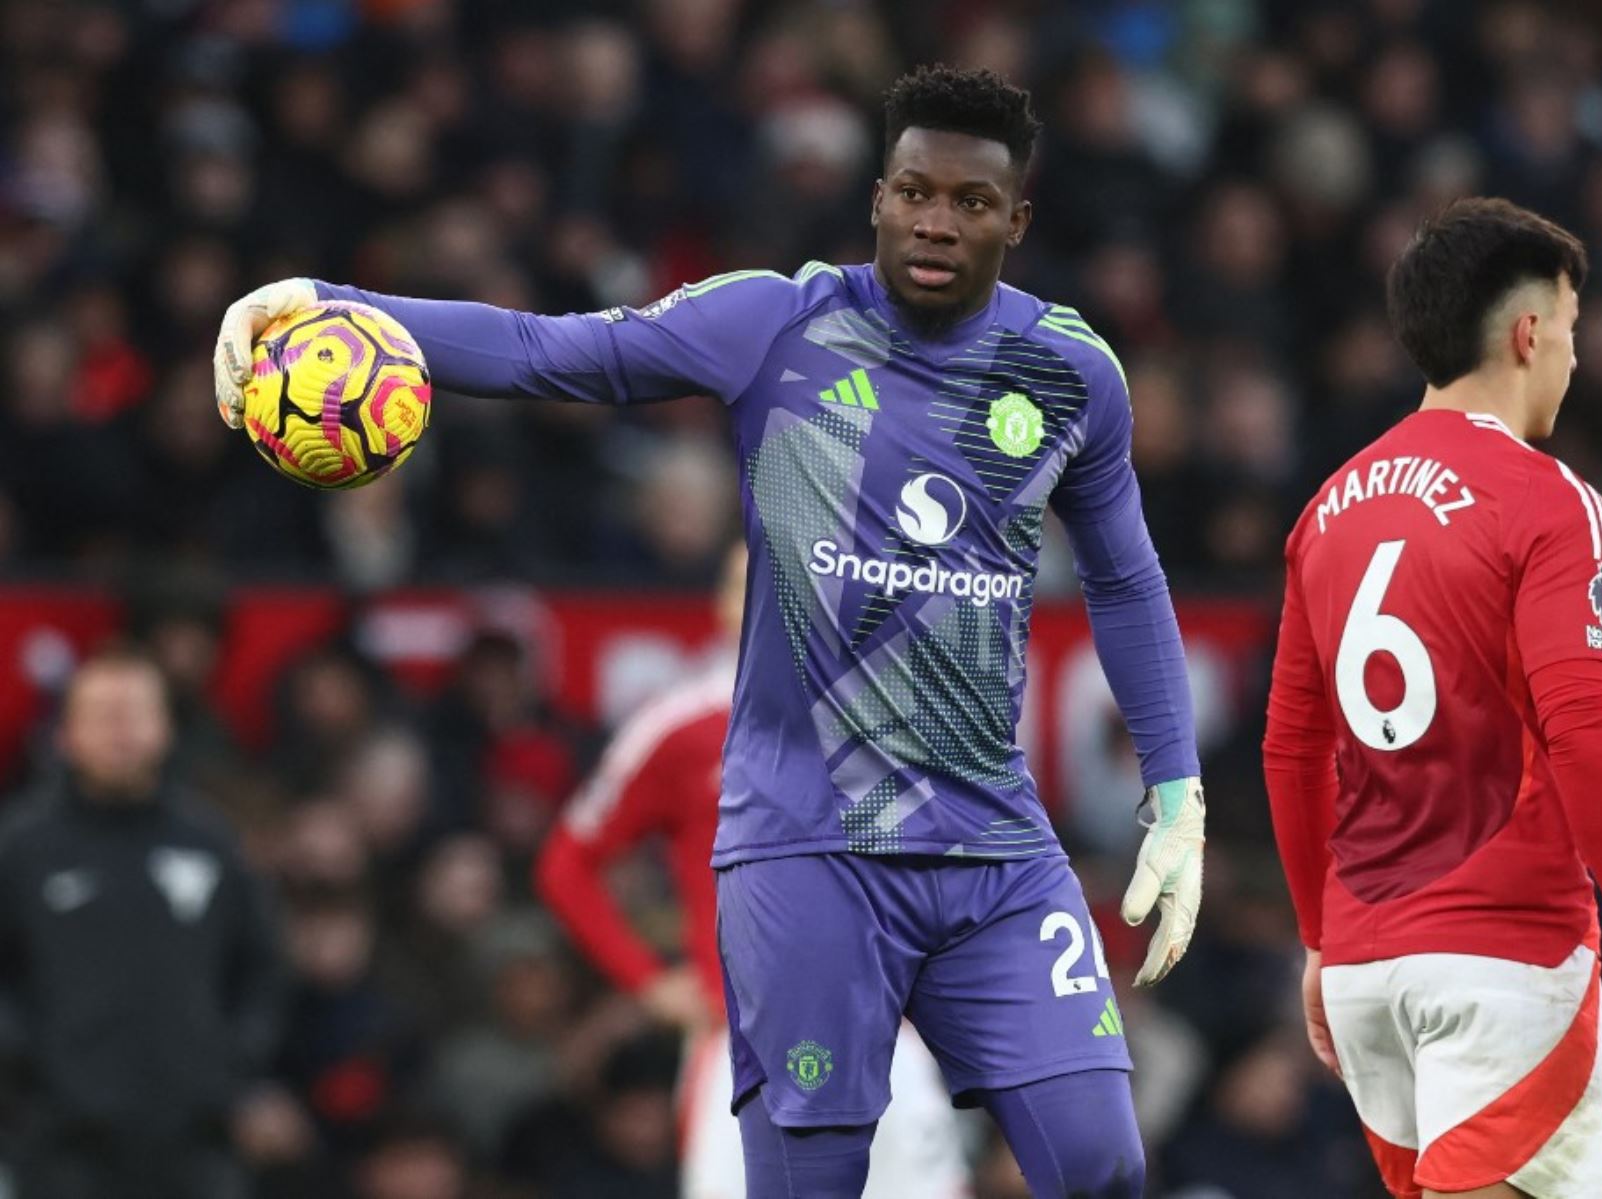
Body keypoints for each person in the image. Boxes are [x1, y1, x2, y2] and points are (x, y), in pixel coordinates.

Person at [216, 65, 1205, 1199]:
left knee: (1103, 1163)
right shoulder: (774, 322)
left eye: (972, 202)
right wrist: (330, 300)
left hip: (994, 847)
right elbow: (552, 350)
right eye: (916, 193)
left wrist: (1177, 791)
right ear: (877, 196)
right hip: (805, 848)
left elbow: (1127, 580)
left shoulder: (1073, 371)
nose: (938, 220)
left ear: (1015, 219)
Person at [1262, 197, 1602, 1199]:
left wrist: (1320, 938)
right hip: (1504, 960)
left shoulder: (1327, 505)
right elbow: (1583, 719)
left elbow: (1290, 746)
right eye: (1573, 335)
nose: (1576, 364)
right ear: (1530, 331)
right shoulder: (1548, 498)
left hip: (1366, 970)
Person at [536, 543, 971, 1199]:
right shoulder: (678, 727)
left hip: (887, 1042)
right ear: (721, 606)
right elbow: (566, 866)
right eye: (751, 586)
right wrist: (649, 982)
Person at [0, 648, 287, 1199]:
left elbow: (262, 967)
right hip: (64, 1144)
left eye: (136, 713)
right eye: (103, 715)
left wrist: (230, 1061)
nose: (121, 731)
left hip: (194, 1141)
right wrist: (27, 1067)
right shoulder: (23, 847)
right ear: (66, 734)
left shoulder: (209, 842)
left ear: (165, 729)